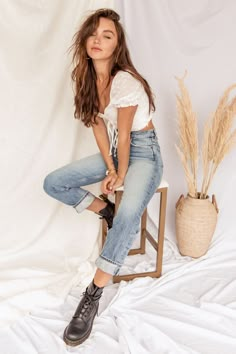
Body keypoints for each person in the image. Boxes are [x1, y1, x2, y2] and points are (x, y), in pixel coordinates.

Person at [43, 8, 163, 347]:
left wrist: (118, 174)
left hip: (145, 152)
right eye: (93, 33)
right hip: (117, 148)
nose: (98, 40)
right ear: (85, 40)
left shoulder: (124, 80)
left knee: (128, 215)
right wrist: (109, 168)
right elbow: (99, 127)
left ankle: (93, 294)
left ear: (117, 45)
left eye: (107, 35)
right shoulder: (85, 78)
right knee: (54, 182)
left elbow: (126, 135)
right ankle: (104, 211)